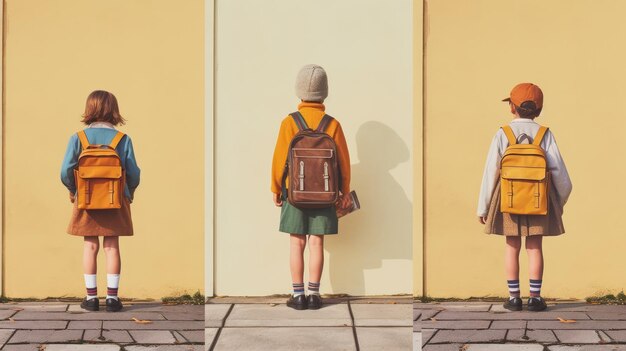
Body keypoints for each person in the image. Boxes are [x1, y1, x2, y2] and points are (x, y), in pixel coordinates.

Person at [477, 83, 572, 312]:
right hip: (539, 198)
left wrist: (484, 207)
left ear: (512, 107)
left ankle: (514, 298)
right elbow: (560, 174)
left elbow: (491, 171)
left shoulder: (503, 133)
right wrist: (559, 200)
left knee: (511, 246)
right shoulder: (544, 134)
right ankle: (535, 298)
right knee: (534, 247)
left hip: (508, 199)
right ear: (539, 109)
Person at [271, 65, 351, 310]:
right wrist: (344, 191)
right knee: (317, 243)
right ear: (325, 93)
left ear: (299, 92)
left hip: (294, 194)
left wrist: (276, 187)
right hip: (325, 195)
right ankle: (315, 295)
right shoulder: (333, 124)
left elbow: (279, 159)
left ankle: (298, 296)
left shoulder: (289, 123)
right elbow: (343, 163)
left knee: (297, 243)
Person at [60, 90, 140, 312]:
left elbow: (65, 170)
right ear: (114, 110)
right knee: (112, 247)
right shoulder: (122, 139)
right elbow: (133, 172)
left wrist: (73, 190)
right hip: (116, 199)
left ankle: (91, 298)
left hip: (86, 199)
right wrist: (128, 192)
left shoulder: (78, 138)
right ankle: (113, 299)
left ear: (89, 109)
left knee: (90, 245)